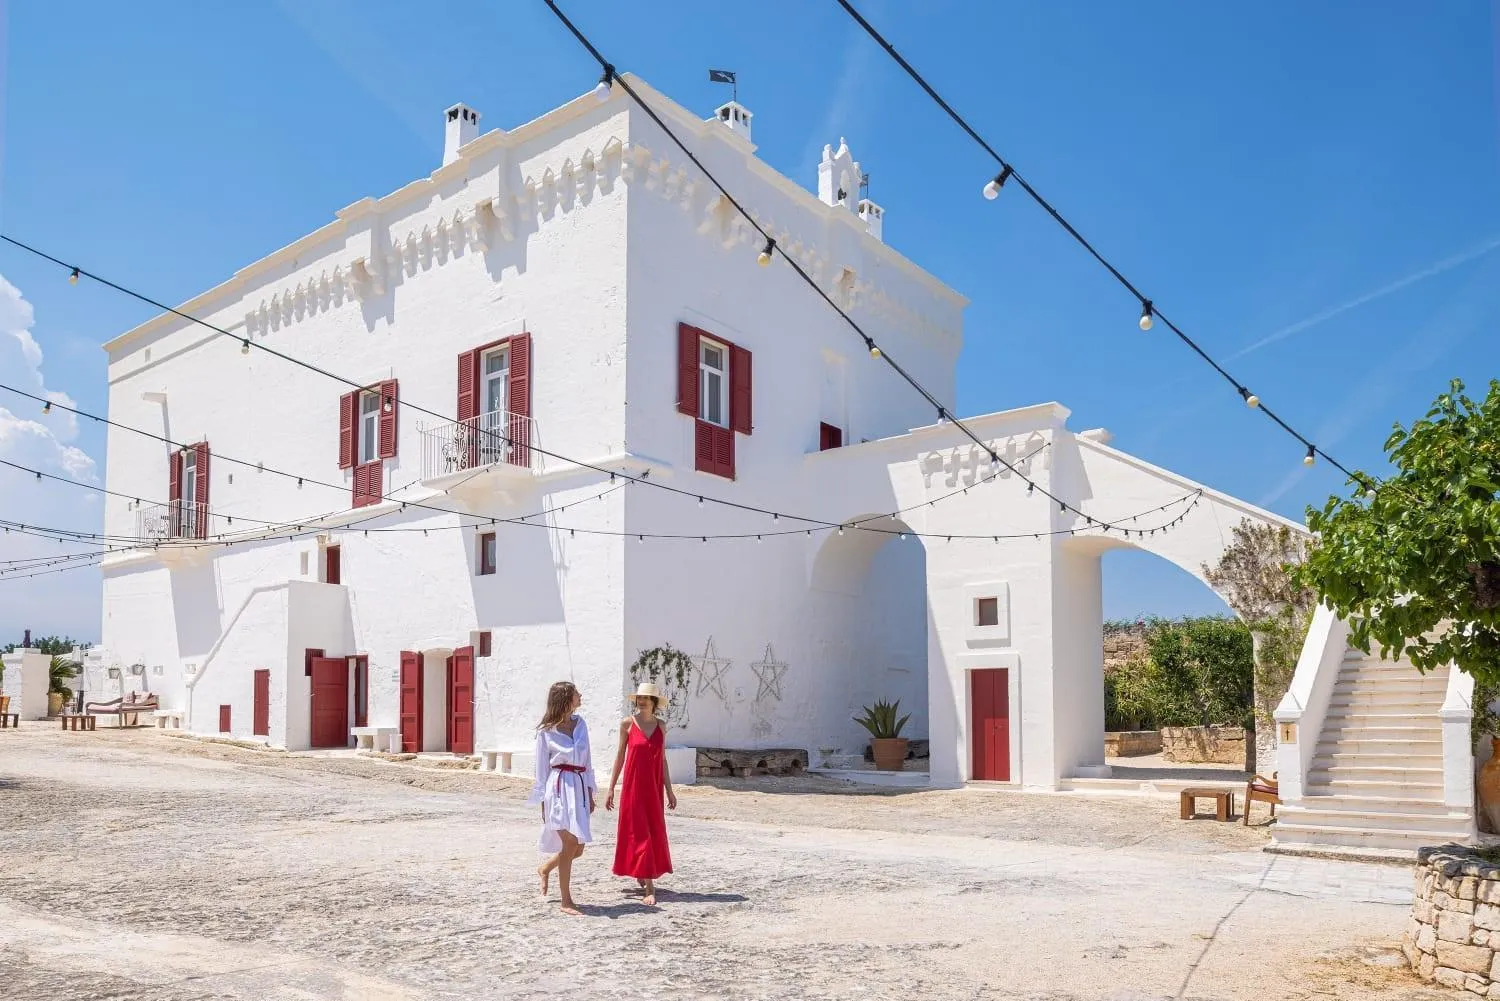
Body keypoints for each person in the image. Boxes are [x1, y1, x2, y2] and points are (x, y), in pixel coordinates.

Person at [605, 682, 677, 906]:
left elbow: (663, 760)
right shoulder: (627, 724)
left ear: (654, 702)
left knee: (651, 831)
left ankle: (644, 874)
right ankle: (649, 886)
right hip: (633, 787)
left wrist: (669, 790)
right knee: (638, 832)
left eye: (647, 697)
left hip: (653, 788)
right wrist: (610, 788)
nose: (642, 701)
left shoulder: (661, 726)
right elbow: (620, 757)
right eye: (640, 697)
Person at [528, 681, 596, 916]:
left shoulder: (581, 724)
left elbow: (588, 761)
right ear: (567, 698)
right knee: (569, 843)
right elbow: (541, 770)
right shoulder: (546, 731)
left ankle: (545, 868)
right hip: (557, 788)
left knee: (577, 849)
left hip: (578, 786)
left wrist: (590, 791)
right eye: (577, 693)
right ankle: (566, 901)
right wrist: (543, 803)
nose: (580, 695)